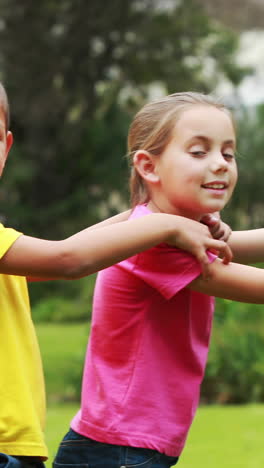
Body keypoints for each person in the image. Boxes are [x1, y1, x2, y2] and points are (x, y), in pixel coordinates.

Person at [0, 85, 232, 468]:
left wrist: (157, 216)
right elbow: (67, 259)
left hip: (19, 444)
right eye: (198, 151)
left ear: (7, 147)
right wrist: (165, 226)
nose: (220, 162)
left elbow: (74, 245)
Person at [53, 91, 264, 468]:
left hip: (126, 446)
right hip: (117, 450)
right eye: (199, 152)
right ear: (149, 167)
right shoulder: (151, 242)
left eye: (228, 154)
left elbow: (242, 244)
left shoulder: (179, 231)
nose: (220, 164)